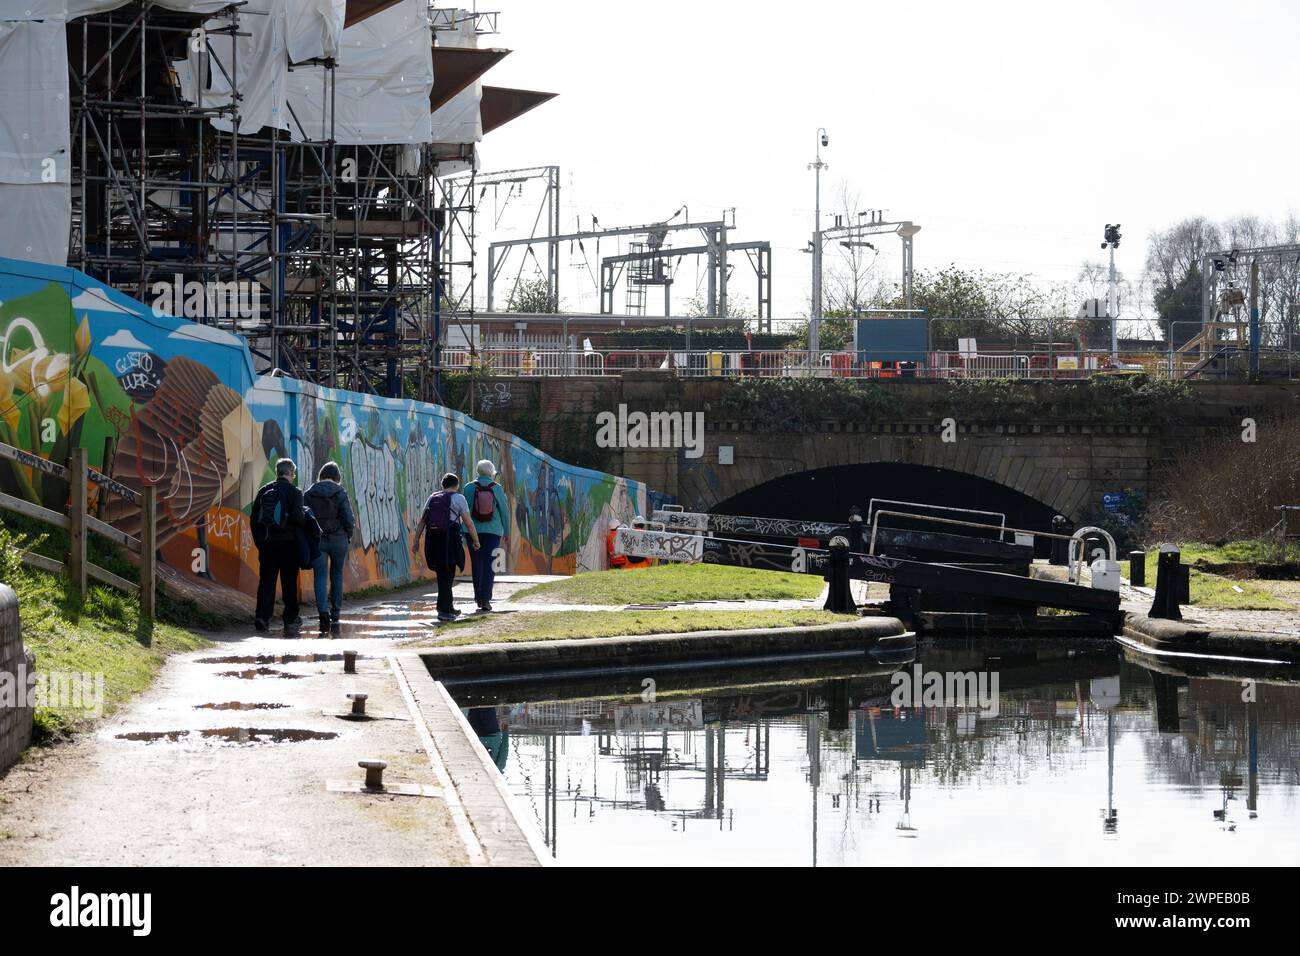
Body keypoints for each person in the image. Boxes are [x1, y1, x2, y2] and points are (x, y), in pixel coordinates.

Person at [412, 472, 481, 622]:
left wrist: (416, 541)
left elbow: (422, 521)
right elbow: (468, 522)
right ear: (456, 485)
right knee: (446, 574)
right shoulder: (459, 498)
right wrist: (476, 540)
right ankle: (443, 611)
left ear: (443, 485)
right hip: (450, 540)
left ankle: (448, 607)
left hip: (433, 540)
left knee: (443, 574)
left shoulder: (433, 497)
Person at [252, 458, 306, 634]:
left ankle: (262, 617)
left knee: (267, 582)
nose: (293, 476)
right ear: (289, 473)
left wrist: (260, 542)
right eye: (293, 474)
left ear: (277, 472)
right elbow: (299, 519)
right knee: (289, 583)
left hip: (267, 544)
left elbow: (254, 520)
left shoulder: (264, 491)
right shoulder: (295, 492)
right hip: (289, 545)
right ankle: (290, 619)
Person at [304, 461, 355, 634]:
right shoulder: (340, 492)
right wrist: (348, 533)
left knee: (320, 576)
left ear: (322, 474)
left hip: (318, 539)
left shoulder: (309, 493)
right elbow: (348, 517)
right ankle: (336, 613)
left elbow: (305, 515)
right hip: (339, 538)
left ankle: (323, 613)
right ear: (336, 477)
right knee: (337, 575)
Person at [467, 459, 510, 612]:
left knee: (476, 563)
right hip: (493, 531)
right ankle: (486, 599)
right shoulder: (496, 488)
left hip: (473, 532)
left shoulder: (469, 488)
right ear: (491, 472)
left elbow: (465, 512)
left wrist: (462, 531)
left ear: (478, 471)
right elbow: (505, 511)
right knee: (489, 564)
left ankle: (478, 597)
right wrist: (507, 532)